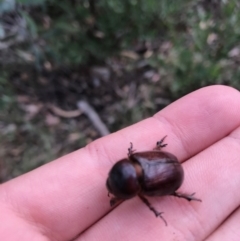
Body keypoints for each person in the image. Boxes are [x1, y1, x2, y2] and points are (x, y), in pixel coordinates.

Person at [1, 85, 240, 241]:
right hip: (165, 168)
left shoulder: (142, 181)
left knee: (167, 194)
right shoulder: (135, 159)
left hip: (171, 175)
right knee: (166, 192)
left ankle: (182, 195)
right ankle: (182, 195)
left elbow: (149, 199)